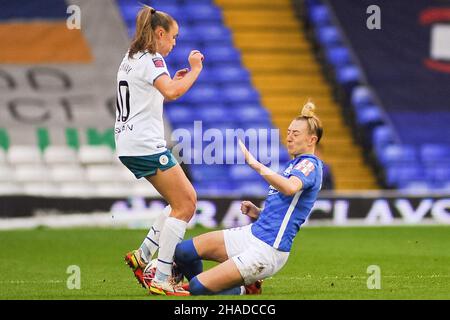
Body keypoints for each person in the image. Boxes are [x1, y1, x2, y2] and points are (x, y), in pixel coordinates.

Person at [171, 102, 324, 295]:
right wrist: (259, 212)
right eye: (288, 132)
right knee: (183, 252)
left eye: (296, 133)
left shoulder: (310, 165)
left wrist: (256, 164)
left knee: (197, 287)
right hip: (252, 234)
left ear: (312, 140)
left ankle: (242, 289)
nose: (289, 137)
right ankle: (216, 285)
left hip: (267, 249)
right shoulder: (294, 165)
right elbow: (284, 211)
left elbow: (289, 188)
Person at [114, 5, 204, 296]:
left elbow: (156, 91)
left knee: (179, 200)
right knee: (187, 203)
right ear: (160, 33)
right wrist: (195, 70)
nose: (174, 43)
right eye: (173, 37)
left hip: (129, 142)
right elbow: (172, 93)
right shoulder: (153, 60)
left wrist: (174, 80)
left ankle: (143, 255)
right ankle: (162, 276)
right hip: (144, 143)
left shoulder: (131, 57)